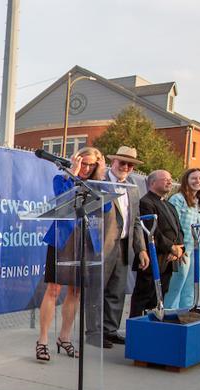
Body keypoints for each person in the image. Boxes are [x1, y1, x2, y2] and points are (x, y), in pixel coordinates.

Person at [36, 147, 106, 361]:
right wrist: (73, 172)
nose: (86, 168)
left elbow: (107, 207)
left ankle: (64, 337)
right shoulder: (62, 179)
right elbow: (61, 198)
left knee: (75, 292)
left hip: (85, 241)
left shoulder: (97, 185)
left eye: (91, 165)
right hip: (62, 239)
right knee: (54, 290)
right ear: (75, 161)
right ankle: (43, 340)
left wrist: (100, 177)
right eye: (83, 163)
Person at [102, 146, 149, 347]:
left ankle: (110, 330)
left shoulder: (133, 187)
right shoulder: (99, 183)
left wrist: (142, 249)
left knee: (117, 290)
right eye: (122, 162)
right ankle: (94, 331)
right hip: (102, 246)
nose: (126, 167)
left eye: (130, 164)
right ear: (112, 162)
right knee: (98, 290)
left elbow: (136, 220)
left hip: (124, 245)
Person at [129, 170, 184, 317]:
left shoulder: (169, 205)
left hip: (168, 260)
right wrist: (171, 248)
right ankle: (137, 327)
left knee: (160, 296)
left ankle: (154, 325)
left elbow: (178, 229)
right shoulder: (146, 203)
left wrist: (179, 248)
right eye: (165, 179)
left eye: (170, 179)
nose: (169, 182)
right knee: (145, 295)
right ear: (152, 182)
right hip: (151, 258)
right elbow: (152, 231)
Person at [165, 168, 200, 309]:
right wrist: (176, 246)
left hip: (199, 246)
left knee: (192, 282)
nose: (197, 181)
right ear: (186, 180)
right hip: (183, 247)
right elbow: (172, 223)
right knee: (178, 281)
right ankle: (170, 312)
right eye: (194, 178)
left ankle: (187, 311)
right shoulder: (178, 199)